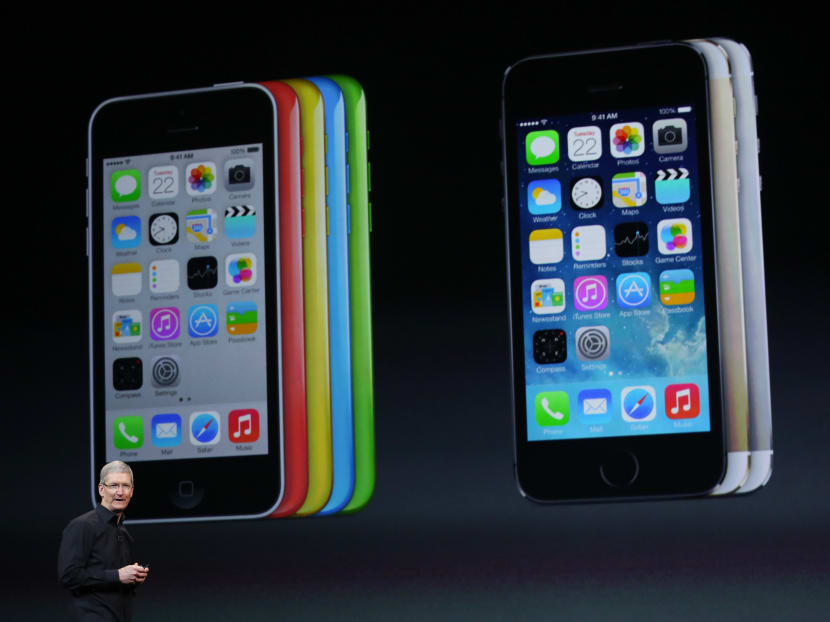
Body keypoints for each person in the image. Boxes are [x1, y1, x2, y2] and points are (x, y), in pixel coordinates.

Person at [58, 461, 149, 621]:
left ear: (132, 491)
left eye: (125, 486)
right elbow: (69, 576)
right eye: (113, 485)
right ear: (101, 489)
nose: (120, 492)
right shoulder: (82, 525)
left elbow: (114, 578)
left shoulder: (122, 530)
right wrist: (118, 575)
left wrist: (133, 577)